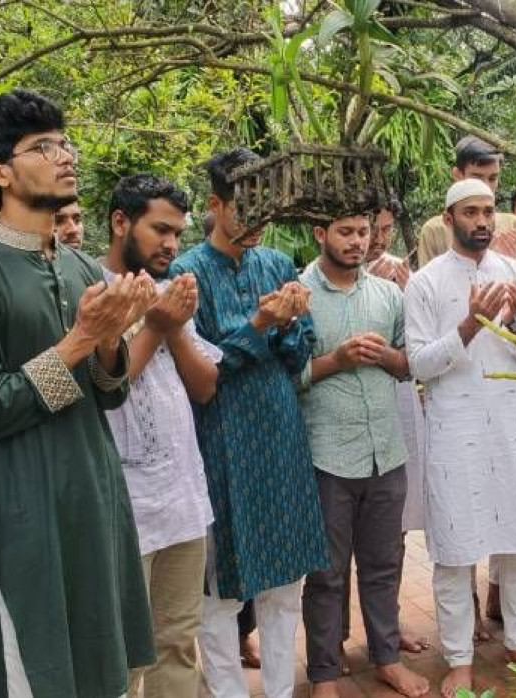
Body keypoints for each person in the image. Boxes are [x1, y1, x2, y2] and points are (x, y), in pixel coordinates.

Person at [0, 89, 157, 697]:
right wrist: (84, 338)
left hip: (92, 496)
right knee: (31, 674)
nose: (66, 156)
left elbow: (109, 394)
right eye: (43, 147)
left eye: (64, 142)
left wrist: (110, 341)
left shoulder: (82, 268)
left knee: (101, 670)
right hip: (19, 510)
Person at [169, 147, 328, 698]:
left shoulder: (278, 264)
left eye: (267, 211)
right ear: (216, 205)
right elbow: (203, 367)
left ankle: (281, 691)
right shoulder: (185, 274)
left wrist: (293, 322)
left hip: (280, 433)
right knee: (221, 590)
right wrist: (260, 322)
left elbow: (296, 358)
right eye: (246, 209)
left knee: (285, 583)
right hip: (221, 440)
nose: (259, 223)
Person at [405, 179, 516, 697]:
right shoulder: (424, 283)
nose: (483, 221)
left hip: (514, 432)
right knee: (455, 552)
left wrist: (511, 318)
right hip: (455, 432)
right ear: (448, 220)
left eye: (488, 211)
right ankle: (460, 658)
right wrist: (469, 325)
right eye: (470, 212)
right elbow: (418, 363)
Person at [298, 211, 430, 698]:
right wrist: (337, 360)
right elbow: (288, 376)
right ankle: (324, 675)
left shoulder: (389, 295)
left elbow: (407, 364)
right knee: (327, 574)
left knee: (383, 564)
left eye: (363, 232)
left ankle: (387, 659)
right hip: (326, 455)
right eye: (345, 232)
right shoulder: (299, 296)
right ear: (320, 235)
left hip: (385, 453)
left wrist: (385, 357)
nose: (357, 242)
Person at [100, 174, 219, 697]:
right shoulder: (89, 294)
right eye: (160, 229)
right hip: (123, 504)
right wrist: (154, 326)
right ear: (121, 222)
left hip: (182, 498)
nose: (171, 244)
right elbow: (111, 388)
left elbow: (206, 386)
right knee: (123, 650)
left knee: (178, 640)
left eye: (177, 233)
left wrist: (172, 325)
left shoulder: (173, 294)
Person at [365, 200, 432, 656]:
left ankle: (387, 629)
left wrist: (409, 292)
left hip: (398, 410)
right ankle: (339, 638)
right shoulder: (321, 275)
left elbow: (420, 350)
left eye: (387, 230)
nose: (380, 240)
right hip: (344, 421)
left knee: (395, 531)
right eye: (374, 229)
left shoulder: (404, 279)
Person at [415, 136, 516, 266]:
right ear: (457, 175)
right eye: (477, 178)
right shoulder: (434, 230)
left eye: (493, 178)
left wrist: (510, 265)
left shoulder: (514, 226)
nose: (486, 186)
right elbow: (430, 281)